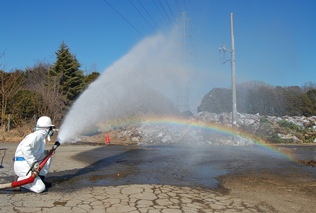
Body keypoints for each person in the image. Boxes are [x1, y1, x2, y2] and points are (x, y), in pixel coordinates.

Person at [13, 116, 55, 193]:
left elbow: (34, 153)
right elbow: (25, 148)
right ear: (47, 128)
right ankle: (19, 181)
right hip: (23, 165)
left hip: (27, 163)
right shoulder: (37, 136)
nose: (51, 131)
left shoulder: (40, 137)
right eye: (51, 128)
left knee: (48, 157)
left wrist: (46, 153)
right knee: (40, 188)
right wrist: (33, 163)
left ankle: (41, 179)